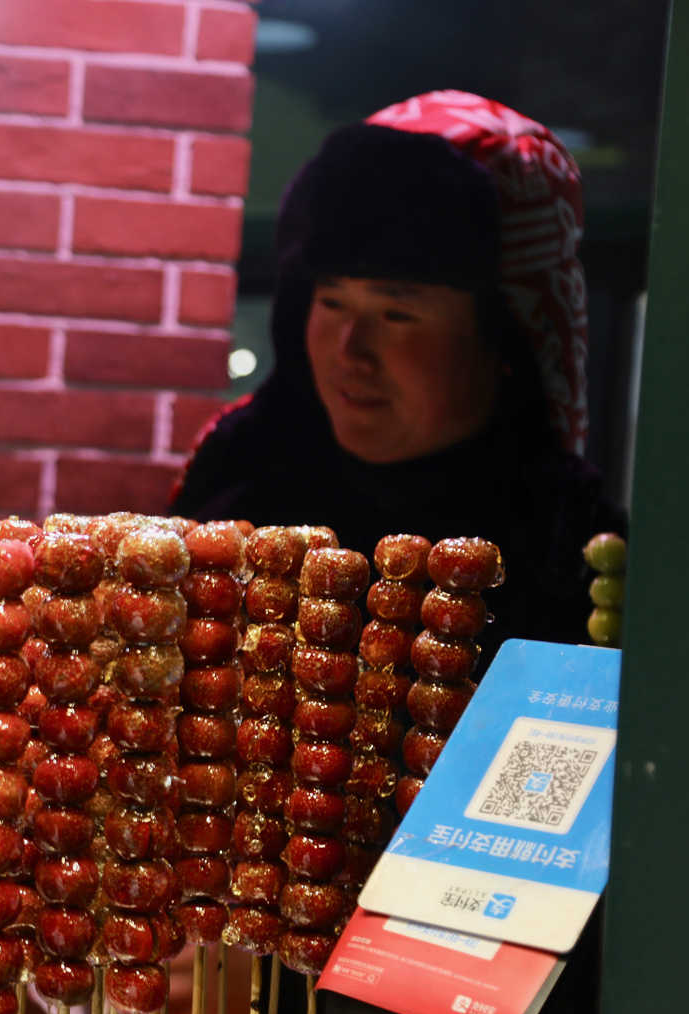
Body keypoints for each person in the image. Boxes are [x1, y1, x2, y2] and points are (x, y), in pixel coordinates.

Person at [174, 90, 626, 655]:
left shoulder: (577, 559)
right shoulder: (235, 509)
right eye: (332, 302)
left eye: (398, 314)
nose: (350, 351)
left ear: (508, 335)